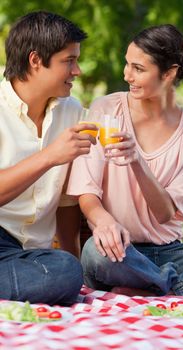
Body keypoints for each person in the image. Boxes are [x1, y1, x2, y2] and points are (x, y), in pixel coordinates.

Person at [67, 24, 183, 297]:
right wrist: (104, 221)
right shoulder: (106, 109)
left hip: (170, 252)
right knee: (95, 256)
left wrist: (137, 162)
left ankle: (151, 285)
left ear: (169, 73)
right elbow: (87, 192)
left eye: (138, 69)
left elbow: (165, 214)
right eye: (127, 64)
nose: (127, 75)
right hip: (117, 251)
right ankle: (171, 285)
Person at [0, 10, 98, 306]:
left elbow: (66, 202)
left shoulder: (72, 111)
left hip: (29, 256)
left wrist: (74, 268)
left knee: (66, 272)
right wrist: (49, 156)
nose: (77, 70)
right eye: (69, 60)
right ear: (35, 60)